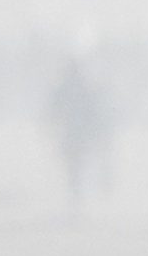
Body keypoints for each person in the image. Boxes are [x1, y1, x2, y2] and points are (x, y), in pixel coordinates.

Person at [47, 44, 112, 212]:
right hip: (77, 134)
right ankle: (77, 197)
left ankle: (76, 197)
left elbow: (55, 109)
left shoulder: (72, 88)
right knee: (76, 166)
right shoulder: (82, 88)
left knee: (75, 167)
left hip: (75, 134)